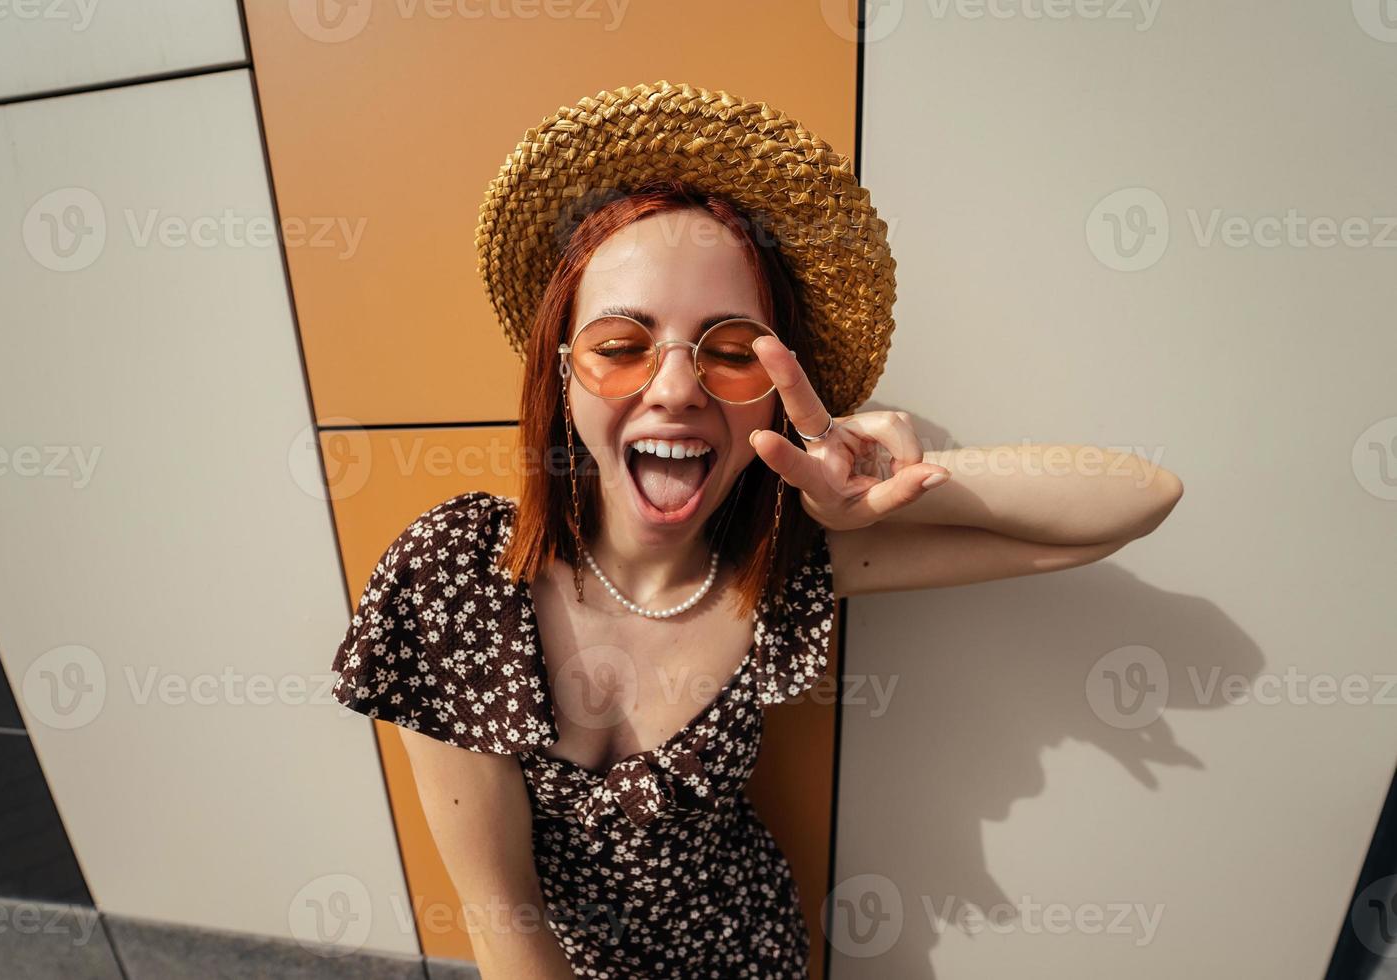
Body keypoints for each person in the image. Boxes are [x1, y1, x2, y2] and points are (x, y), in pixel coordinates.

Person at [331, 81, 1182, 979]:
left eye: (732, 352)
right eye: (621, 345)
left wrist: (888, 484)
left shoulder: (780, 566)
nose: (674, 388)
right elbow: (501, 915)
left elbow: (1131, 504)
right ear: (562, 373)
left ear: (775, 389)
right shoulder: (455, 576)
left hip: (751, 953)